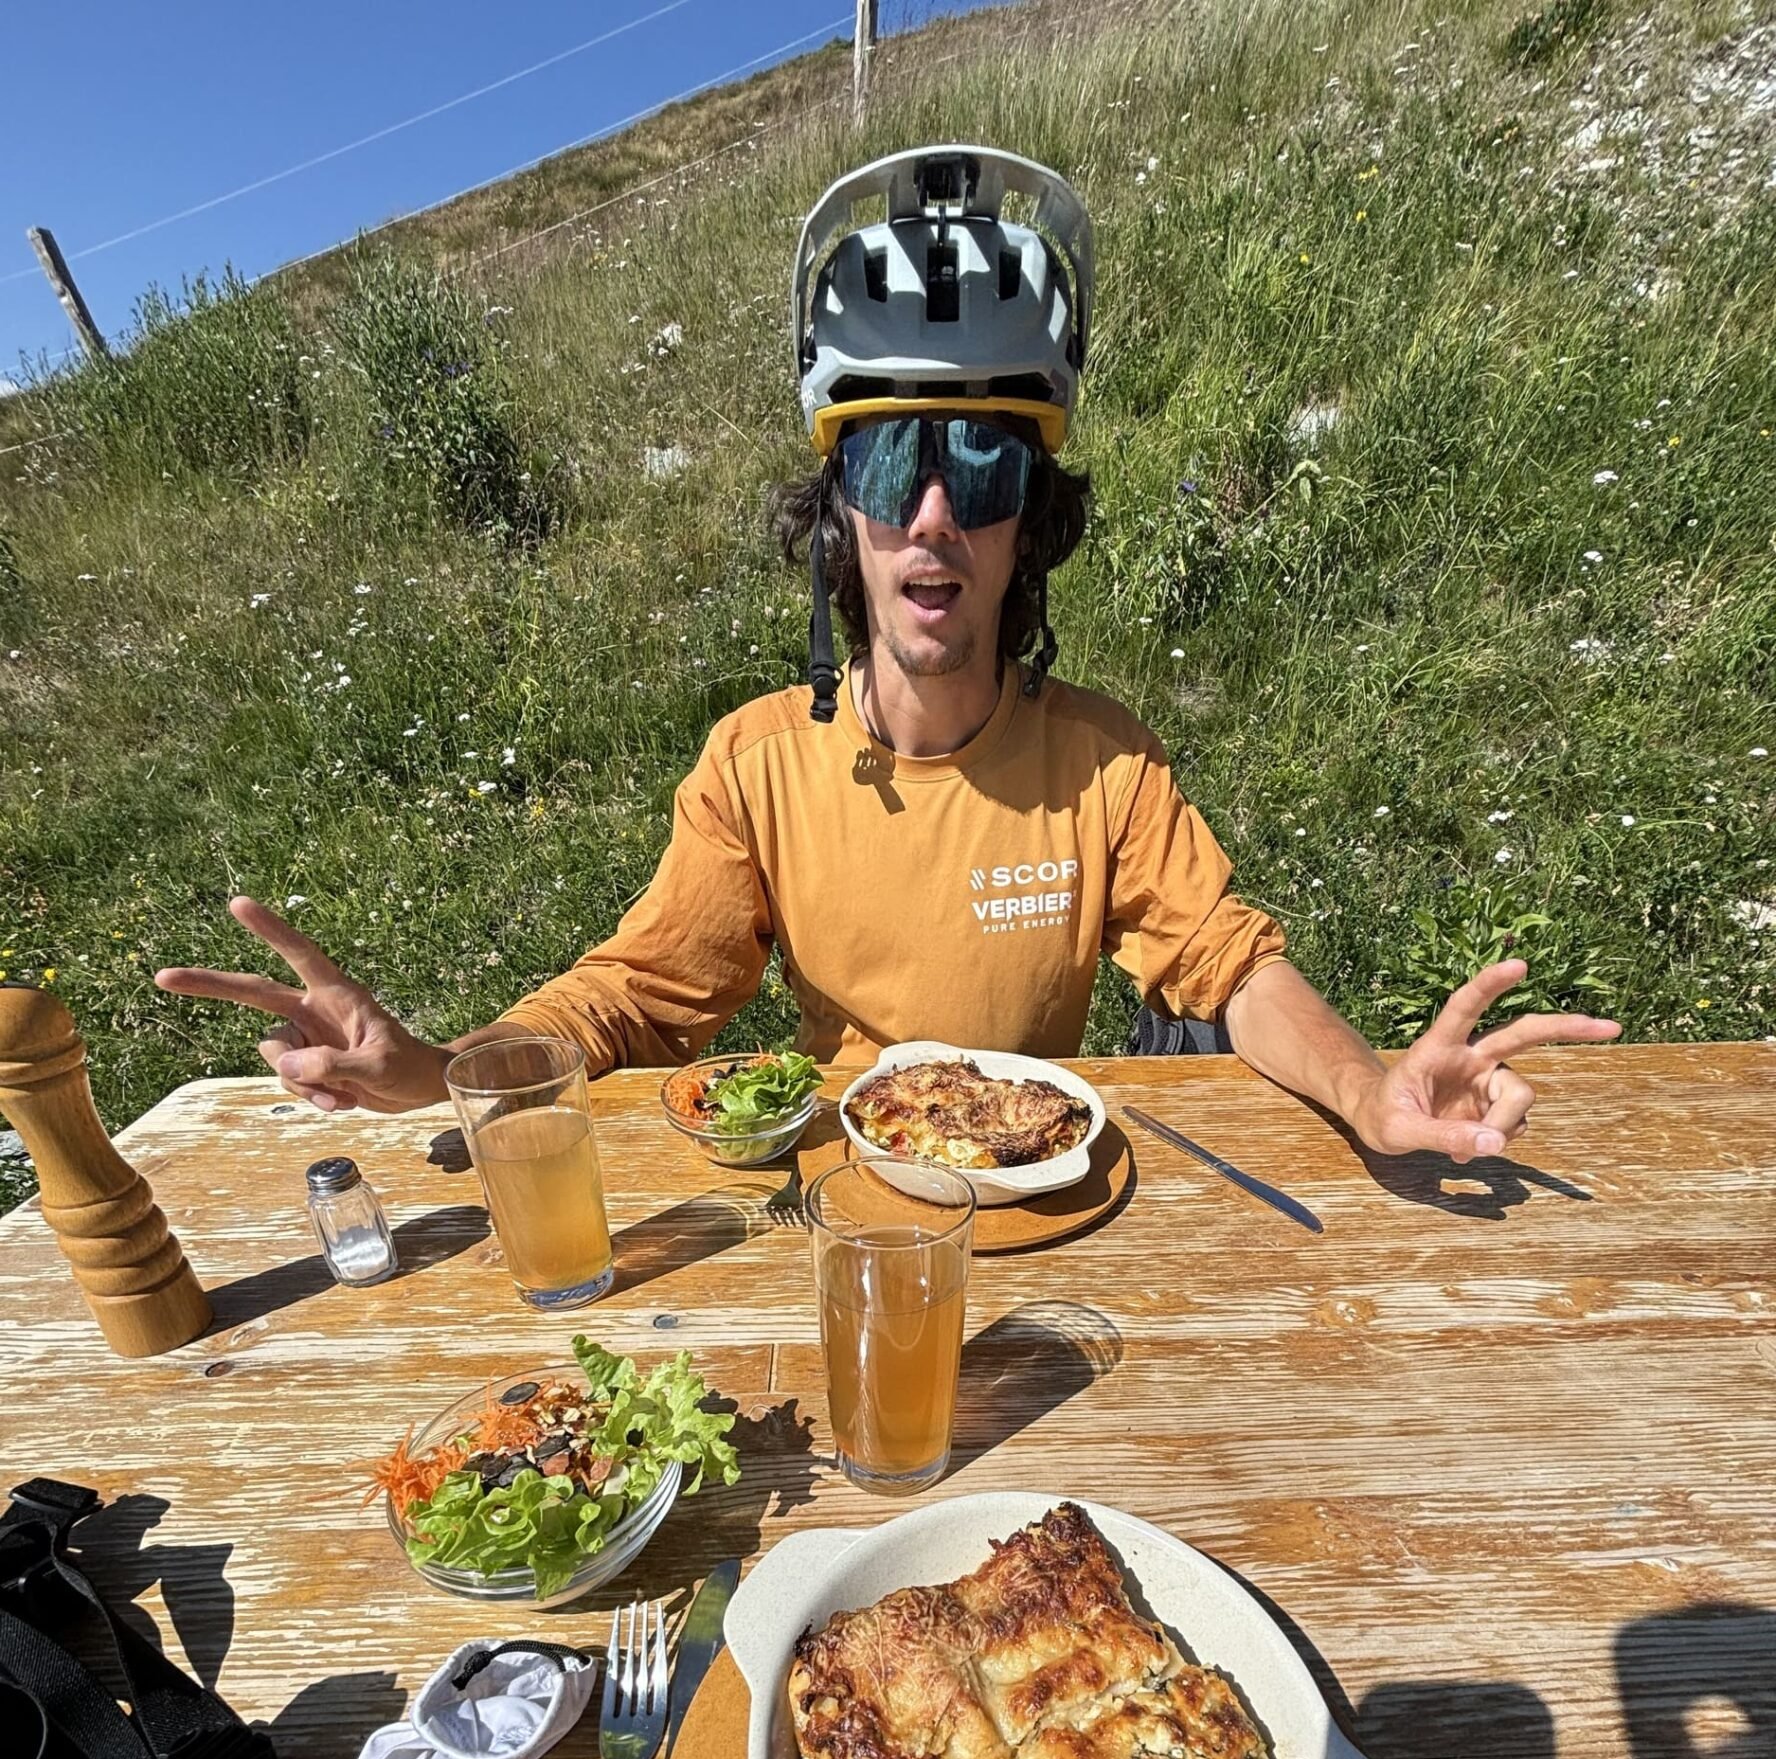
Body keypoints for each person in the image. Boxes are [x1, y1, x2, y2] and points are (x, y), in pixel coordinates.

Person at [157, 145, 1617, 1156]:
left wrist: (1366, 1089)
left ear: (1029, 525)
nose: (933, 515)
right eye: (889, 466)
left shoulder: (1101, 760)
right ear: (835, 517)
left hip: (1057, 1190)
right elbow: (633, 995)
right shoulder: (756, 764)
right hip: (846, 1200)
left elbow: (1231, 970)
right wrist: (438, 1071)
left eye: (982, 467)